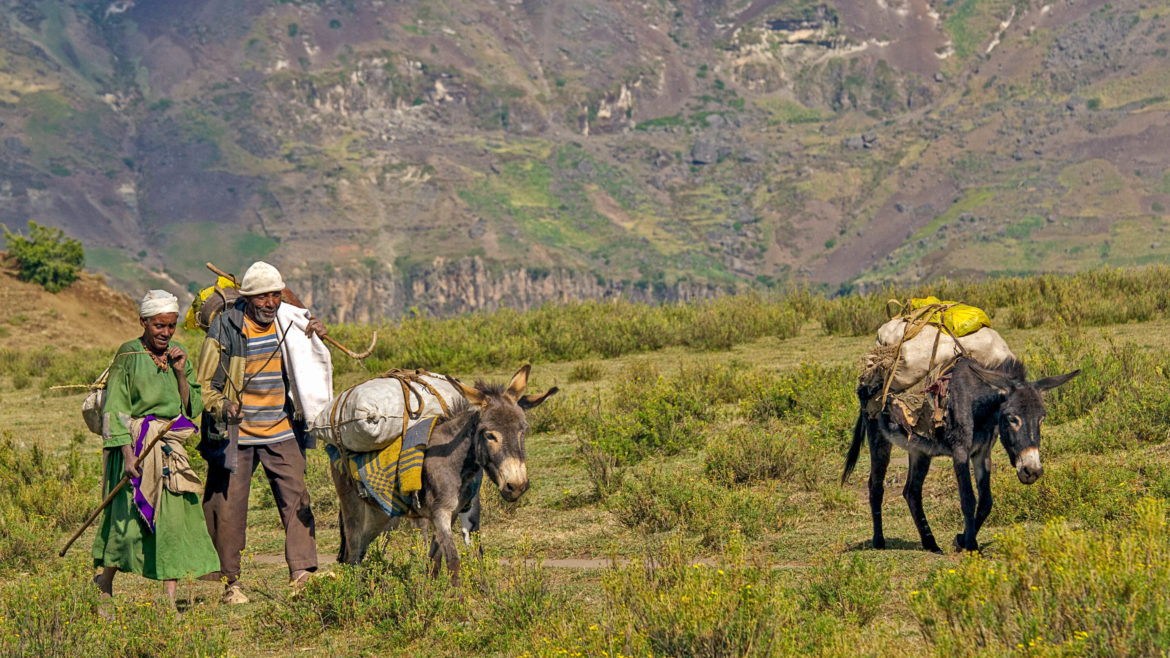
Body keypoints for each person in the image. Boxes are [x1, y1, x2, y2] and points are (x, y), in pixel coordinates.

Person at [196, 261, 328, 604]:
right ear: (248, 298)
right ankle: (230, 584)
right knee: (227, 507)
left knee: (297, 498)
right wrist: (225, 407)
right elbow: (205, 385)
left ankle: (302, 573)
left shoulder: (289, 321)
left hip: (282, 428)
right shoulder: (226, 327)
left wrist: (314, 333)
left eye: (275, 295)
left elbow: (309, 365)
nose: (270, 303)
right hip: (236, 434)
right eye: (263, 297)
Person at [92, 290, 220, 607]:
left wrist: (179, 371)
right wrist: (127, 457)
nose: (165, 333)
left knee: (174, 523)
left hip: (168, 449)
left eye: (171, 326)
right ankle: (104, 582)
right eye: (158, 326)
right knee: (127, 523)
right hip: (134, 449)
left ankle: (169, 601)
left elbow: (192, 408)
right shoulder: (128, 356)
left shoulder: (178, 358)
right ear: (144, 322)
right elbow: (116, 409)